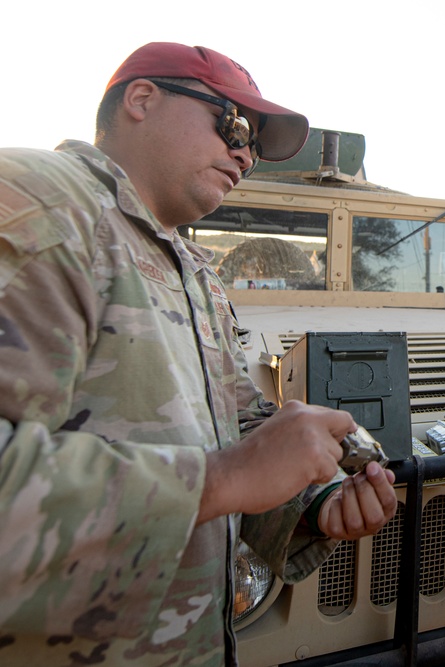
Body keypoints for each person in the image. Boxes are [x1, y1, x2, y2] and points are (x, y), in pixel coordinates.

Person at [0, 43, 398, 665]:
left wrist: (312, 505)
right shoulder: (43, 205)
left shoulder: (191, 271)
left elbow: (232, 427)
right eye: (233, 125)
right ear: (140, 99)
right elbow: (226, 470)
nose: (245, 154)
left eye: (257, 146)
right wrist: (225, 479)